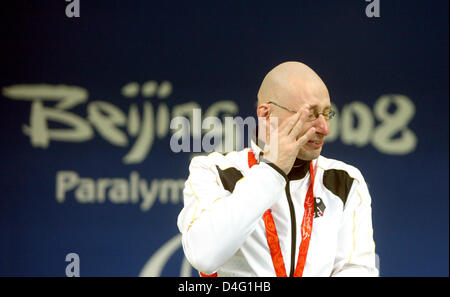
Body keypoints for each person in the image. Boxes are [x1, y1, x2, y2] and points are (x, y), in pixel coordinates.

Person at [177, 61, 378, 277]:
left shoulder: (344, 181)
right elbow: (204, 256)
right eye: (311, 114)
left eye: (327, 114)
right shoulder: (214, 171)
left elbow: (357, 271)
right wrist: (272, 170)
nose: (324, 128)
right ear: (265, 115)